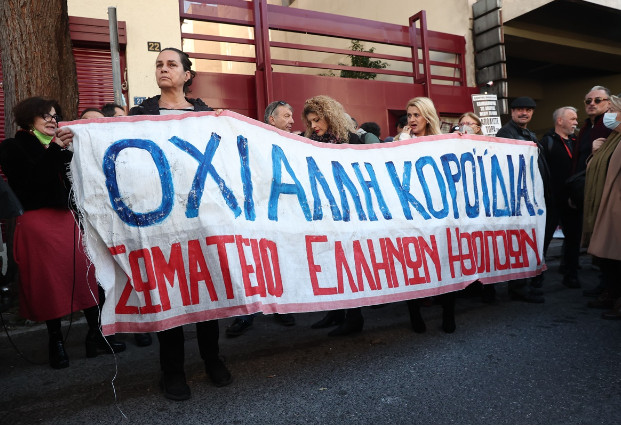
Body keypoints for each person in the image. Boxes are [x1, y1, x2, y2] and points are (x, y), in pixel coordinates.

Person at [128, 47, 233, 399]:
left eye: (171, 64)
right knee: (168, 293)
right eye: (159, 64)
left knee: (206, 290)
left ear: (187, 75)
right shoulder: (139, 114)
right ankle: (172, 371)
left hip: (200, 218)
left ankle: (212, 358)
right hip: (158, 220)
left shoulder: (206, 115)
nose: (164, 69)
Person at [0, 97, 125, 370]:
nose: (52, 120)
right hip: (37, 222)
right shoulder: (12, 147)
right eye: (45, 115)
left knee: (86, 275)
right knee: (50, 284)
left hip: (69, 219)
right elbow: (31, 184)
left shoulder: (65, 145)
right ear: (29, 118)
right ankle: (55, 341)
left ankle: (96, 334)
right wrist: (56, 150)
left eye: (55, 116)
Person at [225, 100, 297, 337]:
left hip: (282, 214)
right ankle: (247, 313)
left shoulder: (296, 143)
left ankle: (281, 307)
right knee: (252, 261)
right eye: (286, 116)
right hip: (254, 213)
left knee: (280, 259)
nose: (292, 121)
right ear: (271, 120)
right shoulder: (251, 139)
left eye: (292, 116)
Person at [302, 95, 364, 336]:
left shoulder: (353, 140)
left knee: (349, 264)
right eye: (310, 121)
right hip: (324, 214)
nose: (314, 125)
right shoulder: (309, 142)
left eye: (317, 120)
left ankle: (355, 317)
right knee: (330, 262)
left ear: (330, 116)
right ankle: (335, 312)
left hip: (349, 213)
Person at [496, 96, 549, 303]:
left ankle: (528, 283)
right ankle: (518, 288)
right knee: (518, 243)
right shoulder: (506, 133)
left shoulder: (529, 134)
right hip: (518, 200)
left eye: (528, 109)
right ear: (512, 112)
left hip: (531, 198)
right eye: (519, 109)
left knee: (528, 242)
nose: (524, 113)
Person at [582, 93, 621, 319]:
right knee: (610, 258)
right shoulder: (613, 139)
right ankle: (611, 293)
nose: (608, 116)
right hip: (606, 204)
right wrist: (596, 153)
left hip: (615, 206)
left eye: (612, 111)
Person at [573, 86, 613, 298]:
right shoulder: (586, 128)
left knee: (605, 240)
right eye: (588, 101)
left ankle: (609, 288)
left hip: (604, 192)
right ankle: (605, 285)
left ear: (609, 103)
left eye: (598, 100)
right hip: (585, 188)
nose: (592, 104)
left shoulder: (610, 126)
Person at [540, 107, 581, 289]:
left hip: (572, 201)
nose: (576, 122)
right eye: (572, 119)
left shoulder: (576, 142)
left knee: (573, 239)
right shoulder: (547, 142)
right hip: (552, 201)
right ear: (560, 121)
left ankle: (571, 274)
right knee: (544, 239)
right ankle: (537, 278)